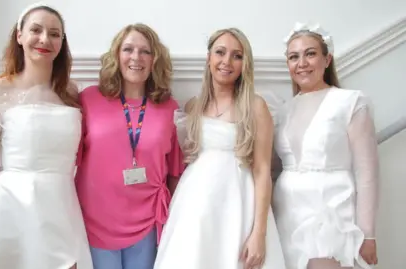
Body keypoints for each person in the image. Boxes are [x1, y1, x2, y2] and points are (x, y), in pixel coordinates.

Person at [0, 3, 93, 269]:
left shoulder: (74, 95)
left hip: (61, 208)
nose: (44, 39)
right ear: (19, 35)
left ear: (62, 42)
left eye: (54, 33)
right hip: (10, 210)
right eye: (35, 30)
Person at [153, 28, 286, 269]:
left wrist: (259, 233)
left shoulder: (255, 106)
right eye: (220, 53)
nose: (227, 61)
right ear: (209, 58)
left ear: (245, 63)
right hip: (195, 203)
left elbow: (263, 171)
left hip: (238, 203)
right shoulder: (194, 106)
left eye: (237, 55)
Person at [75, 23, 184, 269]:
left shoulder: (170, 108)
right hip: (95, 221)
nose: (136, 57)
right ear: (117, 55)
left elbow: (175, 173)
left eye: (145, 51)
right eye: (128, 49)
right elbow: (63, 151)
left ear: (155, 59)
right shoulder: (89, 99)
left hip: (147, 221)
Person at [271, 22, 379, 269]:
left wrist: (368, 233)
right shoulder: (282, 111)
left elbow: (368, 173)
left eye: (310, 54)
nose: (302, 63)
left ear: (327, 59)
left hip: (330, 212)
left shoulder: (350, 102)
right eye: (293, 57)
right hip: (287, 214)